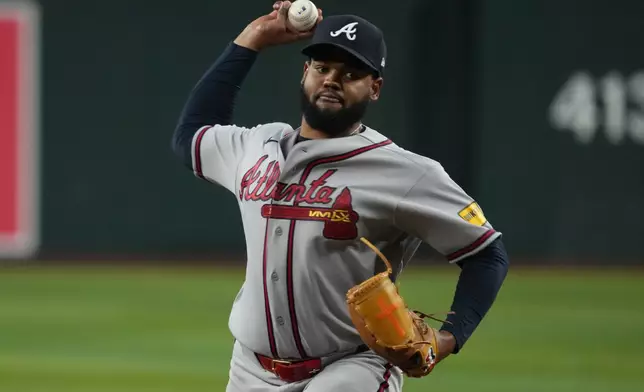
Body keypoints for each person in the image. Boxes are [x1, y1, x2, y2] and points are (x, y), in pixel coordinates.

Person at [171, 2, 510, 391]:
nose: (332, 79)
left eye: (350, 73)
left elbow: (487, 255)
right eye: (322, 68)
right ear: (305, 73)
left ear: (375, 88)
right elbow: (191, 136)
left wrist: (448, 337)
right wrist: (253, 39)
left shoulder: (406, 172)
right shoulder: (256, 145)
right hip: (251, 370)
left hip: (350, 368)